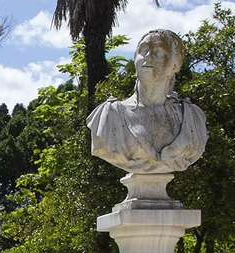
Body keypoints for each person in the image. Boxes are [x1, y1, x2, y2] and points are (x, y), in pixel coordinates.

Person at [86, 28, 206, 181]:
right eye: (143, 50)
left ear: (175, 64)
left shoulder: (192, 118)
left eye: (158, 52)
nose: (147, 57)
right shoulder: (110, 115)